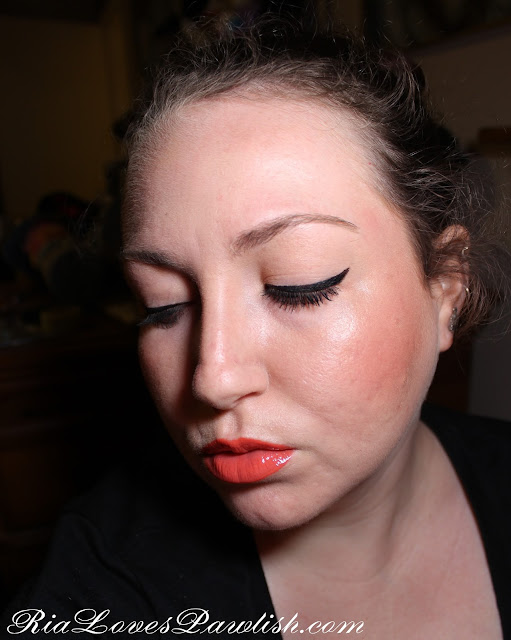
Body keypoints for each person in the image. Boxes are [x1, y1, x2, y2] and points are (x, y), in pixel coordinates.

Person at [3, 16, 511, 639]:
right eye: (162, 305)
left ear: (446, 285)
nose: (212, 378)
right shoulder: (103, 585)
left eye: (298, 285)